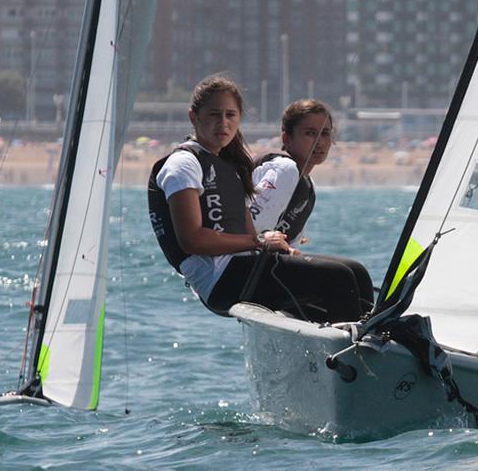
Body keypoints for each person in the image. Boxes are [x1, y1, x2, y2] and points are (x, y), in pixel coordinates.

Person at [147, 76, 366, 323]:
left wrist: (276, 248)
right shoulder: (183, 164)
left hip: (243, 268)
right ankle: (353, 354)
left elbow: (249, 229)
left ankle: (375, 341)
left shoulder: (228, 165)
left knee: (355, 272)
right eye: (214, 115)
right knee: (339, 279)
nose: (223, 123)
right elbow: (192, 240)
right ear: (193, 117)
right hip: (220, 280)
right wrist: (259, 242)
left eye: (231, 115)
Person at [249, 99, 374, 314]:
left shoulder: (307, 186)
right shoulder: (284, 169)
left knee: (356, 272)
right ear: (287, 138)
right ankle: (351, 342)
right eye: (310, 133)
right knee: (340, 277)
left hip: (271, 269)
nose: (320, 142)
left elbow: (290, 247)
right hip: (247, 269)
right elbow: (250, 229)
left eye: (325, 134)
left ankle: (369, 335)